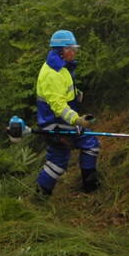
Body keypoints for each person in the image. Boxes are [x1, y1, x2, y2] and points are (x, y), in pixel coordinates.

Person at [35, 30, 101, 196]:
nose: (73, 52)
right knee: (57, 162)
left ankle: (90, 188)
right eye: (69, 49)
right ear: (58, 50)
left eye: (75, 48)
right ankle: (40, 197)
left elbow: (63, 90)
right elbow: (58, 105)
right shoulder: (52, 74)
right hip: (56, 125)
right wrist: (78, 120)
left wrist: (76, 93)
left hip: (66, 122)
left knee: (90, 144)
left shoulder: (61, 66)